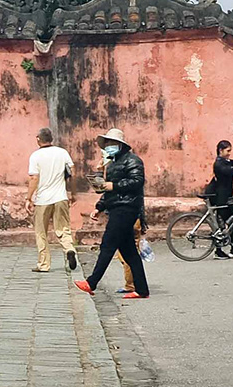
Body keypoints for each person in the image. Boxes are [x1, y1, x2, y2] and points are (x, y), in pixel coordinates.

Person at [75, 127, 149, 300]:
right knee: (129, 252)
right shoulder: (113, 163)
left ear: (120, 145)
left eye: (111, 143)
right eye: (106, 143)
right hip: (116, 206)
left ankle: (91, 282)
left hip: (127, 208)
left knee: (108, 245)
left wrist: (113, 186)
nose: (108, 146)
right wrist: (99, 207)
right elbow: (107, 190)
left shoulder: (133, 160)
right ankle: (142, 289)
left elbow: (137, 181)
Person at [27, 127, 77, 273]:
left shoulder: (35, 156)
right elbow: (71, 172)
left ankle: (44, 264)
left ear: (38, 139)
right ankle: (69, 249)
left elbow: (33, 178)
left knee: (41, 231)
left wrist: (28, 197)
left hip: (43, 199)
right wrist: (72, 193)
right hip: (60, 197)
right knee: (63, 228)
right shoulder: (62, 153)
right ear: (51, 139)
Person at [207, 140, 233, 259]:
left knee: (232, 222)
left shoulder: (227, 161)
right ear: (221, 150)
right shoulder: (219, 164)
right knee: (221, 223)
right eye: (228, 150)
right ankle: (218, 251)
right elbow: (230, 172)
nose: (229, 153)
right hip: (221, 196)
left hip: (228, 195)